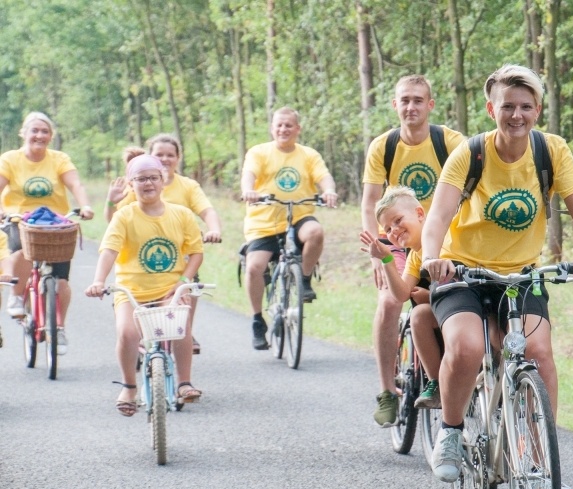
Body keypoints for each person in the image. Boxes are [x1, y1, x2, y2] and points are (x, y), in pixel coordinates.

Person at [421, 64, 573, 485]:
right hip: (462, 274)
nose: (516, 115)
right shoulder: (471, 153)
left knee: (538, 354)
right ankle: (450, 432)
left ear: (538, 109)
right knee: (466, 347)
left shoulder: (551, 150)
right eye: (507, 107)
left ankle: (540, 462)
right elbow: (437, 219)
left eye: (525, 107)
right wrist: (434, 259)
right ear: (491, 109)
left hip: (521, 276)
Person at [361, 75, 464, 427]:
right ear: (395, 105)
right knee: (390, 300)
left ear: (430, 105)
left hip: (446, 237)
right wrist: (380, 251)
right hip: (400, 235)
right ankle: (388, 391)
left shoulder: (449, 142)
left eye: (418, 100)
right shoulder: (384, 146)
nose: (411, 106)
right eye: (404, 100)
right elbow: (371, 202)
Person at [85, 154, 204, 416]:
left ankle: (184, 383)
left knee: (180, 327)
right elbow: (109, 250)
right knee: (128, 333)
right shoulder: (124, 216)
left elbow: (196, 253)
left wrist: (183, 282)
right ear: (131, 184)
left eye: (153, 178)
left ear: (163, 181)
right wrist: (98, 281)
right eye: (140, 179)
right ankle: (129, 386)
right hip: (132, 292)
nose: (147, 183)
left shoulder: (182, 215)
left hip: (169, 289)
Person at [105, 134, 223, 354]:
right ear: (150, 156)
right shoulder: (139, 183)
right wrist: (111, 202)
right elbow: (115, 220)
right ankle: (141, 333)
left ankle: (184, 328)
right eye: (160, 154)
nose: (166, 159)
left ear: (178, 158)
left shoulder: (187, 186)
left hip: (180, 250)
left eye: (171, 155)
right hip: (143, 249)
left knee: (188, 283)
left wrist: (214, 229)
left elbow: (206, 210)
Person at [241, 107, 337, 350]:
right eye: (279, 125)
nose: (283, 129)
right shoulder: (259, 152)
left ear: (297, 129)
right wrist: (249, 190)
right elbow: (249, 175)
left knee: (315, 232)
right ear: (272, 128)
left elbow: (324, 176)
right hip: (265, 222)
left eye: (288, 125)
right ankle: (256, 319)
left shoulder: (308, 155)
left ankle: (303, 279)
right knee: (254, 267)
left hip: (299, 216)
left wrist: (328, 191)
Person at [0, 112, 94, 355]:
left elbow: (75, 185)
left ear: (51, 136)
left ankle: (58, 327)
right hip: (21, 219)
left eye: (45, 132)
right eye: (34, 130)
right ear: (24, 133)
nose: (39, 135)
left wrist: (85, 205)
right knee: (21, 251)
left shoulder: (59, 159)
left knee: (61, 281)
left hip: (55, 223)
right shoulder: (10, 159)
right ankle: (17, 295)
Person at [359, 186, 442, 409]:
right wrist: (386, 260)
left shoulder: (445, 239)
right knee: (418, 315)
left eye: (397, 220)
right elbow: (402, 293)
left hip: (463, 306)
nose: (394, 230)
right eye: (388, 229)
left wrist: (431, 296)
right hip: (443, 313)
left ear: (420, 214)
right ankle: (437, 384)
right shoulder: (415, 256)